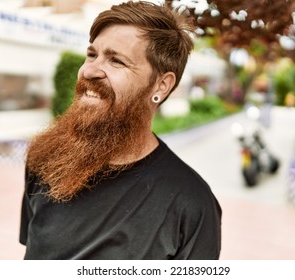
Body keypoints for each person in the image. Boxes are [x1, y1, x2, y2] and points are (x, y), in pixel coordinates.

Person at [19, 0, 222, 260]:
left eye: (116, 61)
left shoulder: (191, 203)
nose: (90, 70)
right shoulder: (44, 156)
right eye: (92, 54)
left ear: (161, 86)